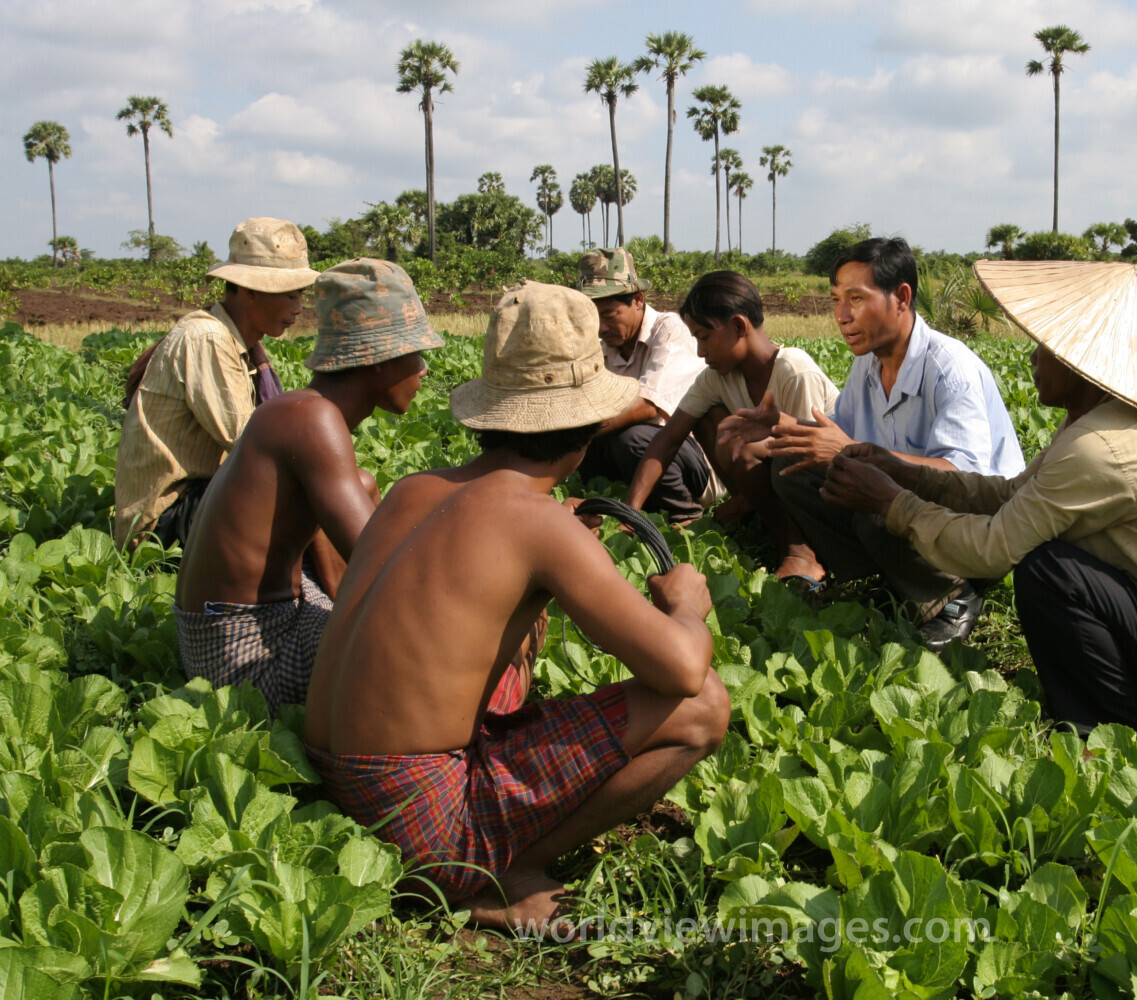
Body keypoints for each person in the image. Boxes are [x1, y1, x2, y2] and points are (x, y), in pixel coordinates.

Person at [302, 280, 729, 933]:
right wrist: (687, 607)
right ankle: (500, 873)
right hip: (423, 825)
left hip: (342, 785)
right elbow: (680, 670)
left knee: (515, 656)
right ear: (588, 423)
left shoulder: (413, 490)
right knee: (704, 707)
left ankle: (474, 850)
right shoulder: (538, 522)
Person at [820, 260, 1137, 755]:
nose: (1032, 358)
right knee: (1051, 564)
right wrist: (906, 472)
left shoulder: (1101, 447)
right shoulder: (1098, 426)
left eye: (1044, 348)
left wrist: (891, 501)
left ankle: (1133, 740)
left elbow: (993, 549)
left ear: (1080, 362)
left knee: (1049, 571)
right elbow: (1009, 495)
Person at [174, 258, 443, 718]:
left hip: (236, 627)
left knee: (361, 484)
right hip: (242, 658)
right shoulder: (311, 420)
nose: (422, 370)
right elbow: (383, 564)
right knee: (437, 654)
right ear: (378, 360)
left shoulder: (304, 410)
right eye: (413, 354)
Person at [728, 236, 1025, 649]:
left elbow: (965, 477)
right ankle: (894, 577)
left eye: (856, 298)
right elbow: (839, 432)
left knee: (873, 498)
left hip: (981, 528)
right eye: (835, 300)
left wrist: (854, 457)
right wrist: (783, 428)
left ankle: (952, 593)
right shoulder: (868, 364)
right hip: (916, 514)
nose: (842, 315)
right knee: (792, 471)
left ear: (901, 297)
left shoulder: (948, 370)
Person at [624, 271, 839, 587]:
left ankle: (800, 551)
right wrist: (630, 513)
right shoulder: (718, 378)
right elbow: (668, 438)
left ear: (739, 326)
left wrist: (748, 499)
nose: (700, 351)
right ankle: (760, 516)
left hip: (826, 493)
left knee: (735, 440)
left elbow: (806, 462)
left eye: (704, 337)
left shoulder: (792, 369)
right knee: (710, 416)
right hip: (779, 483)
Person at [115, 217, 319, 549]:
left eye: (301, 296)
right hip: (160, 523)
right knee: (307, 496)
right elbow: (250, 443)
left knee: (313, 489)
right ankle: (334, 595)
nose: (298, 309)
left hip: (200, 495)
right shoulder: (207, 338)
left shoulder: (241, 345)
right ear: (250, 290)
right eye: (289, 296)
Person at [574, 248, 716, 522]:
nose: (601, 328)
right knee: (592, 439)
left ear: (638, 301)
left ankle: (682, 513)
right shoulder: (602, 346)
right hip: (636, 460)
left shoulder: (669, 330)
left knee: (629, 437)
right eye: (594, 318)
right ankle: (615, 501)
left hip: (689, 457)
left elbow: (650, 406)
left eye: (610, 314)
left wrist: (581, 431)